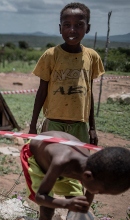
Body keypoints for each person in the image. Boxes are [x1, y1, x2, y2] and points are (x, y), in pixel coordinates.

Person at [29, 2, 104, 145]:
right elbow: (42, 92)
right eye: (67, 25)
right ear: (60, 28)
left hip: (80, 126)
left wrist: (92, 128)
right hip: (54, 125)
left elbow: (89, 93)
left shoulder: (92, 57)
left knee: (79, 164)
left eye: (79, 25)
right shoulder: (51, 55)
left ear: (88, 28)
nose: (72, 30)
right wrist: (33, 126)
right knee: (51, 164)